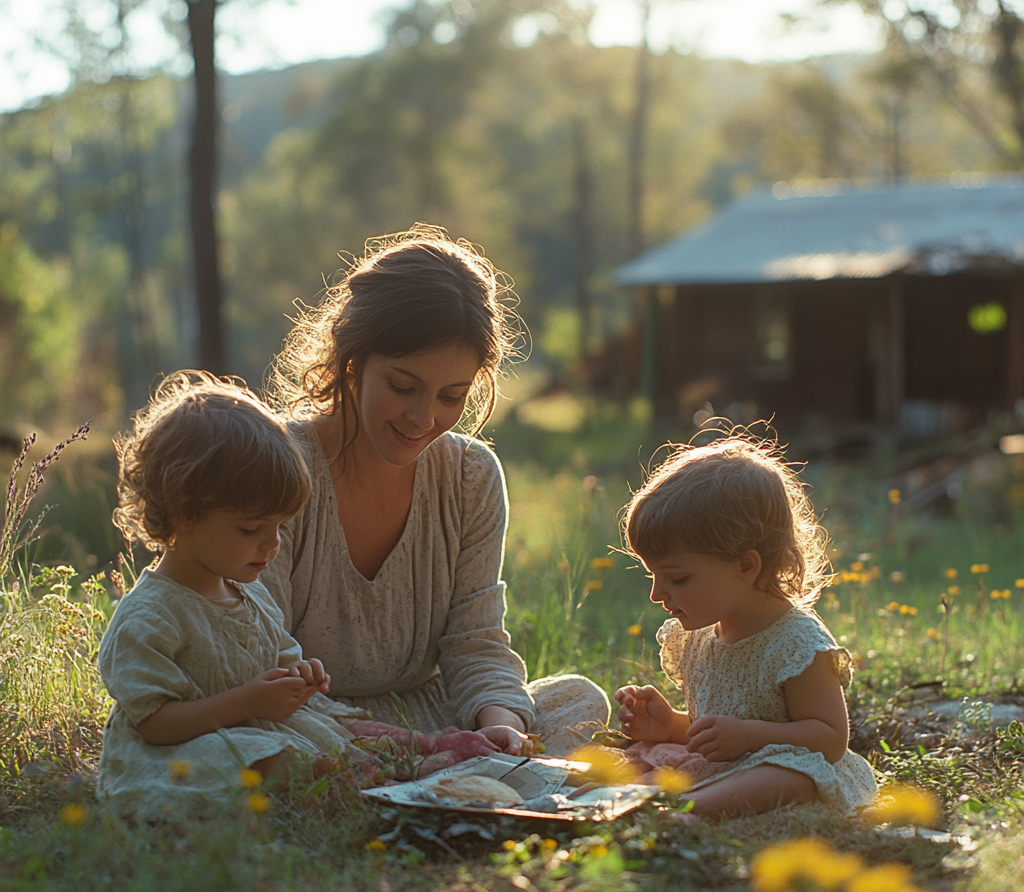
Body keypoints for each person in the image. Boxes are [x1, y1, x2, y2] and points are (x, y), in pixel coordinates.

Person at [262, 226, 610, 757]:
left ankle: (432, 765)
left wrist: (499, 725)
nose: (424, 418)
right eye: (403, 387)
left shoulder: (471, 477)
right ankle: (420, 763)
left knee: (577, 700)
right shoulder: (277, 465)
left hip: (425, 709)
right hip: (304, 716)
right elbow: (261, 659)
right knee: (253, 740)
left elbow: (476, 644)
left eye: (452, 396)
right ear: (351, 362)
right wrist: (417, 744)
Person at [97, 374, 381, 818]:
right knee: (269, 756)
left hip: (255, 726)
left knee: (337, 739)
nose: (273, 544)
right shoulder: (150, 616)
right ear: (184, 511)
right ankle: (320, 786)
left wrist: (299, 676)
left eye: (279, 527)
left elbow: (276, 659)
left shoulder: (249, 591)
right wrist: (247, 702)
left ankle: (336, 776)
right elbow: (153, 723)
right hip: (179, 750)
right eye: (251, 529)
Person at [614, 431, 876, 818]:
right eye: (652, 576)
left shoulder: (796, 643)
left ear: (745, 566)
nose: (656, 594)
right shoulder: (699, 636)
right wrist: (670, 726)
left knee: (792, 776)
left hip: (784, 766)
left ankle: (683, 812)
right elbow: (715, 731)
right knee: (638, 758)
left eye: (677, 578)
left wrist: (750, 736)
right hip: (728, 767)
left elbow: (830, 739)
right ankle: (657, 801)